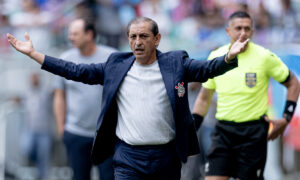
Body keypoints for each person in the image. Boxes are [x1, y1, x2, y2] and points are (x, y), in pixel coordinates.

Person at [7, 17, 249, 180]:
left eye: (143, 36)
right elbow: (76, 71)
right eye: (132, 37)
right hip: (128, 157)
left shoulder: (175, 63)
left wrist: (228, 57)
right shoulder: (116, 65)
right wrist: (35, 55)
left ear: (157, 39)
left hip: (166, 156)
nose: (137, 42)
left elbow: (206, 69)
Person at [192, 11, 300, 180]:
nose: (243, 33)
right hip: (223, 132)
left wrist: (286, 118)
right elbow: (204, 97)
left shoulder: (264, 57)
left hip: (253, 133)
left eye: (247, 28)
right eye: (238, 28)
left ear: (252, 32)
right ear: (228, 31)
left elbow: (293, 83)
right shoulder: (216, 57)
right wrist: (193, 128)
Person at [52, 18, 116, 180]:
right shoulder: (65, 58)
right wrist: (62, 129)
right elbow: (59, 95)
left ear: (89, 34)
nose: (70, 37)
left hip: (106, 134)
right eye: (69, 33)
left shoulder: (111, 57)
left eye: (75, 33)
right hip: (76, 133)